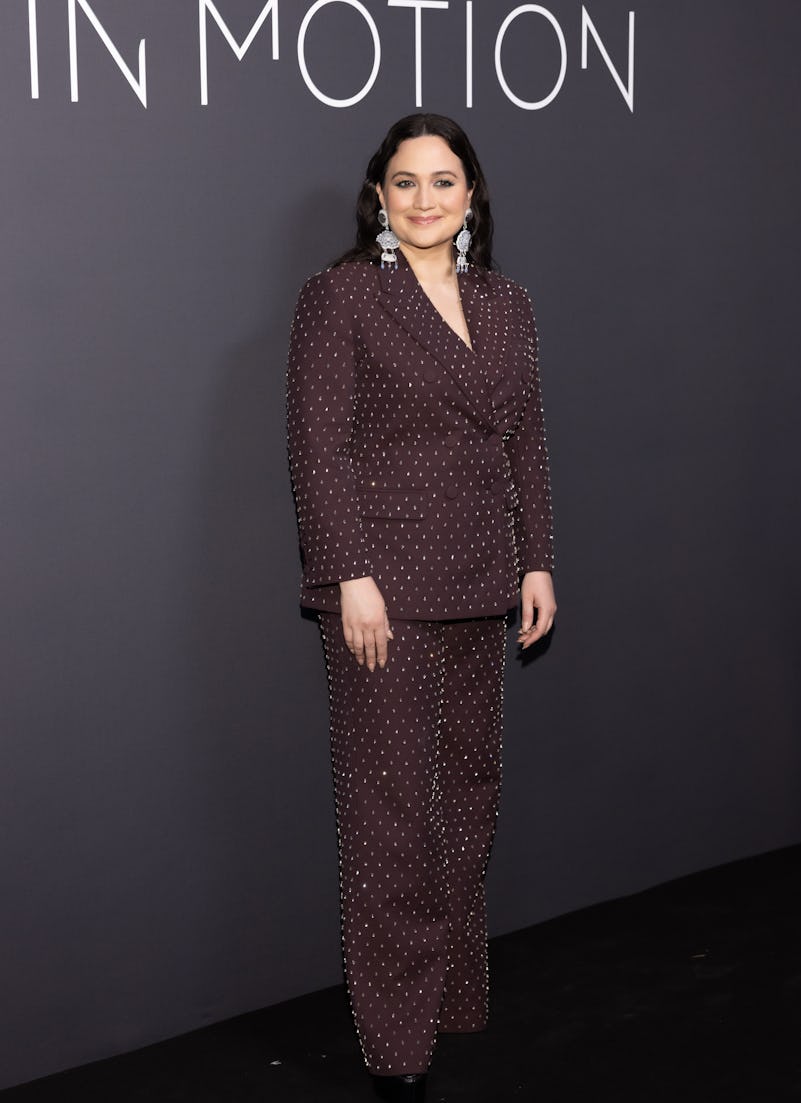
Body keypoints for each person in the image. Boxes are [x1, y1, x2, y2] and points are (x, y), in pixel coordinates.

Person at [286, 113, 556, 1103]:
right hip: (384, 592)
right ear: (380, 197)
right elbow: (319, 447)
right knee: (392, 812)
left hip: (487, 574)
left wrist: (541, 561)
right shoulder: (343, 296)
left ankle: (451, 991)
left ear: (473, 193)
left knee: (469, 791)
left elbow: (525, 439)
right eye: (406, 182)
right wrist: (350, 570)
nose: (427, 197)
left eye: (445, 180)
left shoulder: (508, 302)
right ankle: (398, 1041)